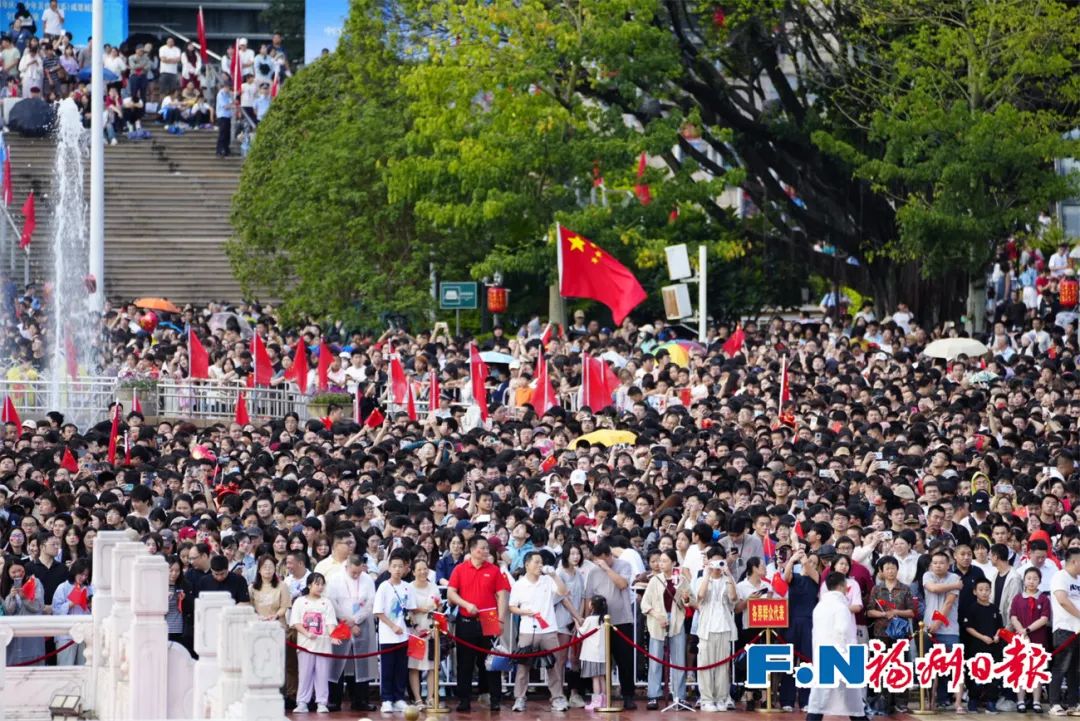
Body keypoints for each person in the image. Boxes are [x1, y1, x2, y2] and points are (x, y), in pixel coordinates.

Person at [447, 536, 510, 712]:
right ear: (473, 549)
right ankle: (464, 699)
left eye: (487, 548)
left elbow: (502, 596)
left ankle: (494, 697)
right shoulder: (460, 569)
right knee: (464, 662)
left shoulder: (494, 570)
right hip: (466, 621)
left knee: (490, 662)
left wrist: (501, 619)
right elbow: (451, 593)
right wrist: (466, 604)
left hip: (489, 621)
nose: (486, 551)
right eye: (482, 548)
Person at [508, 550, 568, 711]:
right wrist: (523, 612)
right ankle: (520, 697)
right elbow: (512, 606)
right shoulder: (519, 584)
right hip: (528, 629)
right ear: (527, 564)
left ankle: (557, 697)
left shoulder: (547, 581)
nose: (540, 565)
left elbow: (563, 592)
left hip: (548, 629)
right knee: (523, 666)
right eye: (536, 562)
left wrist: (554, 575)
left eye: (541, 562)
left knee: (553, 665)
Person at [806, 572, 868, 721]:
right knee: (851, 698)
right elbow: (842, 632)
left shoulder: (819, 607)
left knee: (821, 697)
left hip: (822, 654)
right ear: (841, 586)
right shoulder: (841, 607)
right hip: (839, 657)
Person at [583, 541, 636, 710]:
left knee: (624, 660)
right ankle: (603, 695)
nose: (598, 563)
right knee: (601, 660)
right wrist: (586, 619)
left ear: (608, 555)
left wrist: (606, 568)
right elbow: (588, 597)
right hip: (599, 623)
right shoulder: (592, 572)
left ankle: (628, 694)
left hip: (622, 620)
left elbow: (622, 584)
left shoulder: (624, 565)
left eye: (602, 559)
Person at [325, 554, 377, 712]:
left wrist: (356, 619)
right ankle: (334, 700)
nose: (356, 575)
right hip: (340, 624)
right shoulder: (335, 579)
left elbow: (370, 603)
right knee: (337, 662)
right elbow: (332, 602)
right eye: (353, 572)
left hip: (362, 625)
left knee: (361, 663)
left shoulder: (367, 579)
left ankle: (360, 700)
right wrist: (347, 621)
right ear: (347, 567)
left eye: (359, 572)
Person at [641, 548, 691, 710]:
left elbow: (690, 601)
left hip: (677, 620)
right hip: (658, 621)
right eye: (660, 561)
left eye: (664, 561)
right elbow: (645, 604)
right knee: (656, 659)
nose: (660, 564)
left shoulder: (682, 580)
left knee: (678, 660)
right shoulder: (655, 580)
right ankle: (653, 695)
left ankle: (679, 695)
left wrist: (686, 598)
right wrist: (657, 615)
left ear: (674, 563)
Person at [866, 555, 916, 714]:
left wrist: (895, 611)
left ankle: (901, 701)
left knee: (900, 665)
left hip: (899, 633)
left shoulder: (905, 588)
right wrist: (882, 615)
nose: (890, 571)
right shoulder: (876, 589)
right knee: (883, 666)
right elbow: (869, 611)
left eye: (893, 567)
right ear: (881, 571)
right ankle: (884, 700)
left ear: (897, 569)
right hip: (881, 633)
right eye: (887, 568)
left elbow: (912, 612)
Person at [692, 546, 738, 712]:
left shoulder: (728, 579)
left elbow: (733, 597)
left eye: (720, 560)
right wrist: (707, 574)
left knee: (722, 667)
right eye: (714, 560)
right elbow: (700, 597)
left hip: (724, 627)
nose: (717, 564)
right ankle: (706, 699)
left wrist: (728, 574)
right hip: (706, 628)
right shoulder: (701, 578)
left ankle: (722, 698)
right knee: (705, 664)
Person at [290, 572, 340, 714]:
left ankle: (322, 702)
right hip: (305, 645)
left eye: (322, 584)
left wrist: (333, 636)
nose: (320, 587)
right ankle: (302, 702)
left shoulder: (327, 602)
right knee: (305, 674)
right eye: (317, 584)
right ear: (309, 585)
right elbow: (296, 622)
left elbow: (330, 623)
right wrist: (307, 633)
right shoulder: (300, 602)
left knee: (322, 674)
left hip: (323, 645)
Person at [373, 549, 415, 713]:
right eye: (394, 566)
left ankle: (398, 697)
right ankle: (386, 698)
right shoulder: (384, 587)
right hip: (387, 636)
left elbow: (410, 609)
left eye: (401, 566)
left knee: (401, 668)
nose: (397, 569)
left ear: (405, 568)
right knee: (387, 668)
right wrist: (392, 626)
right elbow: (378, 612)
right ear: (389, 568)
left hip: (404, 635)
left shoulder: (407, 587)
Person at [1010, 567, 1050, 712]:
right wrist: (1021, 631)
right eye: (1029, 578)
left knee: (1036, 671)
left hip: (1038, 640)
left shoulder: (1044, 599)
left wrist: (1027, 630)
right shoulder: (1018, 598)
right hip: (1020, 640)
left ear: (1040, 581)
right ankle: (1020, 700)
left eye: (1035, 578)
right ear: (1024, 580)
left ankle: (1036, 701)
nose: (1031, 581)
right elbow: (1013, 616)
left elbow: (1044, 618)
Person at [962, 578, 1004, 713]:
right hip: (977, 648)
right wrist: (982, 637)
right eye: (981, 590)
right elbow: (968, 627)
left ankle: (991, 702)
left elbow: (1000, 626)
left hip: (993, 648)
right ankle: (973, 700)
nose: (984, 593)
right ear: (975, 592)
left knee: (993, 676)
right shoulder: (972, 608)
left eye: (987, 590)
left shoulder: (994, 608)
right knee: (976, 676)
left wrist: (997, 635)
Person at [1049, 547, 1080, 716]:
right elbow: (1062, 600)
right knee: (1061, 667)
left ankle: (1073, 703)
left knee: (1075, 669)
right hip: (1064, 630)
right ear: (1074, 561)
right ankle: (1054, 703)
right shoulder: (1060, 577)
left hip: (1078, 630)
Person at [406, 555, 440, 708]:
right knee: (414, 666)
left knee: (432, 665)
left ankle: (431, 697)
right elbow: (407, 611)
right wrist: (416, 625)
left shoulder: (433, 587)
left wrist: (435, 626)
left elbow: (438, 608)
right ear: (413, 571)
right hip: (415, 631)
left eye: (425, 569)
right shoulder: (409, 588)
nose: (422, 572)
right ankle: (418, 698)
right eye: (419, 569)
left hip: (432, 631)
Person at [2, 557, 45, 665]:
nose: (17, 574)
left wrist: (24, 597)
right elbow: (8, 611)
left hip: (32, 631)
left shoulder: (34, 582)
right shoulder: (5, 586)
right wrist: (11, 596)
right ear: (8, 573)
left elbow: (39, 606)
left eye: (20, 570)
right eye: (13, 572)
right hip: (13, 633)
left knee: (34, 663)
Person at [51, 558, 91, 665]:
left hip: (84, 634)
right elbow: (56, 610)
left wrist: (89, 605)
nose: (83, 578)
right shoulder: (63, 587)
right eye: (81, 574)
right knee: (66, 666)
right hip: (66, 635)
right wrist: (70, 603)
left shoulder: (90, 588)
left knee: (83, 667)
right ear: (75, 572)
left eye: (86, 575)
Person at [578, 594, 608, 711]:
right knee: (602, 677)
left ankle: (596, 701)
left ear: (592, 606)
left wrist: (577, 623)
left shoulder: (590, 619)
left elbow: (581, 633)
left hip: (591, 653)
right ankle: (604, 700)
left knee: (595, 678)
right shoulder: (605, 619)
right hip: (602, 653)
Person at [215, 82, 233, 157]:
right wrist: (233, 106)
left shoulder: (228, 94)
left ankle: (226, 149)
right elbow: (225, 106)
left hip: (228, 116)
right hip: (222, 116)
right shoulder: (221, 94)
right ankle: (219, 150)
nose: (228, 89)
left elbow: (231, 102)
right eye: (227, 87)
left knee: (227, 134)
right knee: (222, 134)